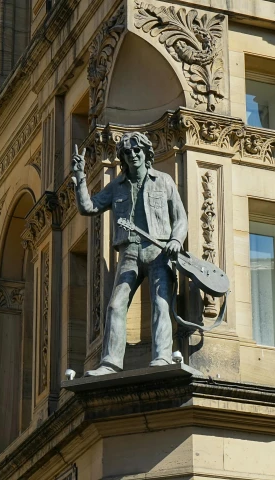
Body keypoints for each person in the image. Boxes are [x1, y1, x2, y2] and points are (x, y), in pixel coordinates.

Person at [71, 132, 188, 376]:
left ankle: (163, 356)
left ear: (146, 153)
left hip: (159, 252)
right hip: (130, 252)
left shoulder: (164, 181)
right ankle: (110, 363)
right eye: (127, 152)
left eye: (137, 151)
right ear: (122, 157)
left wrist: (176, 240)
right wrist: (80, 177)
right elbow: (88, 207)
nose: (132, 155)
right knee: (115, 306)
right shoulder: (116, 186)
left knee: (160, 302)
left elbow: (180, 217)